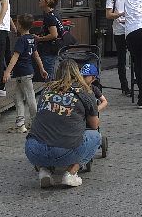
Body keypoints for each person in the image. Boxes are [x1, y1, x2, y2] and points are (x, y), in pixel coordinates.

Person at [24, 59, 102, 188]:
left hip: (33, 150)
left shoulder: (46, 90)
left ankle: (44, 170)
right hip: (65, 152)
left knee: (43, 135)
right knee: (96, 136)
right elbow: (94, 125)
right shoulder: (85, 92)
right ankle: (71, 173)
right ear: (78, 73)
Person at [2, 13, 46, 132]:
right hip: (27, 71)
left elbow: (15, 57)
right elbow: (36, 55)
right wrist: (41, 68)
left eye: (17, 23)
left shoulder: (21, 40)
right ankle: (20, 124)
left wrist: (7, 72)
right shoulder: (31, 38)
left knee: (29, 97)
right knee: (18, 98)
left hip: (22, 73)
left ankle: (35, 122)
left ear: (20, 26)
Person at [105, 0, 135, 94]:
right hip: (119, 30)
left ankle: (139, 83)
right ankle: (124, 86)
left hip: (132, 28)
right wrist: (121, 14)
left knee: (136, 57)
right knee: (121, 59)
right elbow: (108, 15)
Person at [35, 0, 65, 78]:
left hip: (49, 50)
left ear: (47, 2)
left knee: (49, 76)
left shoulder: (49, 17)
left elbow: (54, 35)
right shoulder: (56, 14)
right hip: (57, 49)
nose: (39, 0)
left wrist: (39, 38)